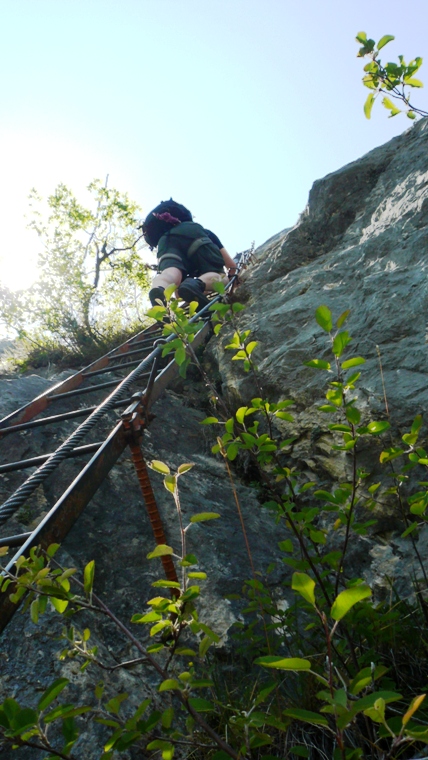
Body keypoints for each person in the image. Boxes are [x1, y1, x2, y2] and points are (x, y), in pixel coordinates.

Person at [143, 201, 237, 308]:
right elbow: (231, 266)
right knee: (220, 276)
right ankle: (198, 284)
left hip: (165, 241)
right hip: (195, 234)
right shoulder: (202, 231)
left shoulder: (164, 238)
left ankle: (159, 288)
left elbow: (178, 294)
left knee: (170, 273)